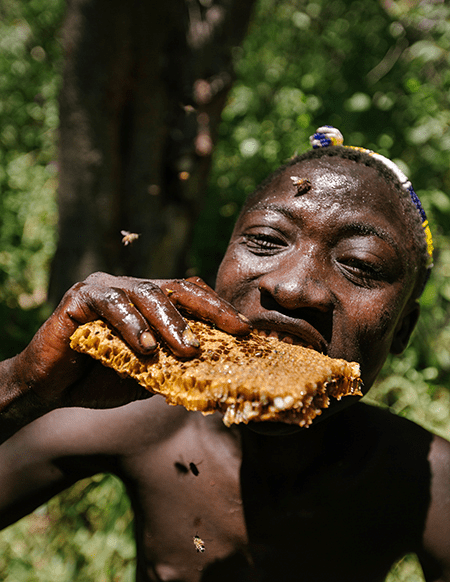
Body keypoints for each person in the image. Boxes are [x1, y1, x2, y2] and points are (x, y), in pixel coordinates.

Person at [0, 126, 447, 582]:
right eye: (268, 240)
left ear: (403, 330)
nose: (291, 288)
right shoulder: (144, 420)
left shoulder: (422, 478)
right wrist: (22, 385)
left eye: (359, 264)